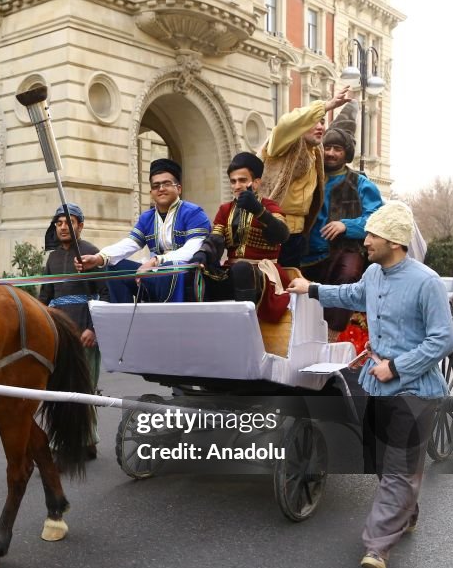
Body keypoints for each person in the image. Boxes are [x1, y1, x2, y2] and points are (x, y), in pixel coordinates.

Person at [287, 200, 453, 568]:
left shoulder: (426, 282)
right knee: (381, 462)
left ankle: (377, 546)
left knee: (397, 467)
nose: (366, 241)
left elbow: (442, 340)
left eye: (372, 235)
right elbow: (350, 296)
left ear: (394, 241)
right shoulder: (374, 275)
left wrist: (395, 367)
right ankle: (406, 510)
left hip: (415, 390)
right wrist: (309, 288)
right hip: (376, 387)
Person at [300, 101, 384, 341]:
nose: (331, 153)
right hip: (307, 254)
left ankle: (333, 334)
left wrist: (346, 225)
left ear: (346, 152)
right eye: (328, 147)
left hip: (343, 251)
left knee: (347, 276)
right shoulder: (309, 178)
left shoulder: (361, 184)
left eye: (337, 148)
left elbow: (376, 219)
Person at [75, 158, 211, 303]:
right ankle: (125, 320)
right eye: (156, 185)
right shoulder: (147, 217)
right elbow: (130, 243)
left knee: (170, 268)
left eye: (167, 184)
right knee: (115, 267)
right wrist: (99, 258)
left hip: (184, 277)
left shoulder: (194, 213)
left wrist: (155, 261)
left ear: (179, 188)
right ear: (151, 192)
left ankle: (170, 318)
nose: (161, 189)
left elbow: (193, 250)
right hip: (154, 274)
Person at [39, 203, 108, 460]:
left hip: (84, 330)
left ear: (80, 225)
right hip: (57, 332)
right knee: (57, 387)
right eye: (59, 223)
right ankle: (61, 440)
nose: (63, 227)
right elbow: (45, 295)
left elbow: (105, 293)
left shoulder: (92, 253)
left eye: (69, 222)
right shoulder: (53, 257)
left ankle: (88, 440)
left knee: (84, 388)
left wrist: (94, 328)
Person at [258, 86, 353, 267]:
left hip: (298, 235)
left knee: (292, 286)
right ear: (300, 125)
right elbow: (286, 123)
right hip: (271, 230)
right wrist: (326, 105)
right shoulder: (282, 144)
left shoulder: (317, 151)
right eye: (313, 121)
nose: (320, 127)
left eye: (322, 122)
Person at [191, 152, 289, 304]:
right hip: (233, 270)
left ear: (256, 183)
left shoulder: (270, 206)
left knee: (242, 269)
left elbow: (282, 235)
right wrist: (202, 254)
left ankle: (246, 321)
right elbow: (216, 238)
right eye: (233, 181)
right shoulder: (225, 209)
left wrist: (259, 211)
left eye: (242, 180)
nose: (237, 186)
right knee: (199, 273)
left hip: (264, 273)